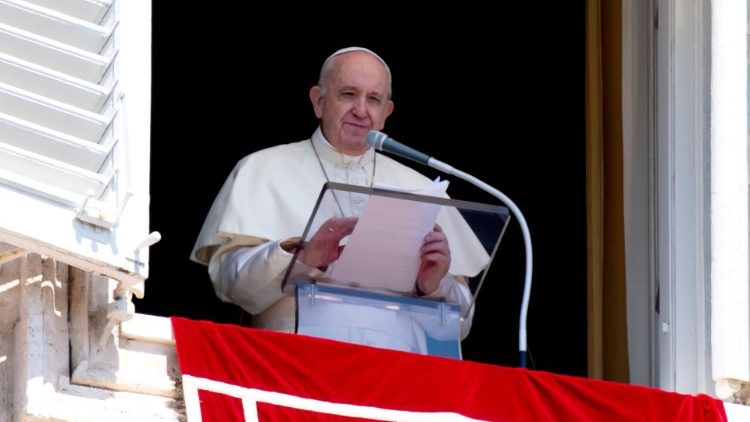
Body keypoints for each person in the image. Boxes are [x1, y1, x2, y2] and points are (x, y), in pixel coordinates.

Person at [191, 47, 488, 355]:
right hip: (294, 361)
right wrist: (302, 258)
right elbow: (230, 286)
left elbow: (460, 328)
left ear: (386, 112)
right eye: (348, 94)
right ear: (319, 101)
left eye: (373, 99)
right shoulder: (261, 168)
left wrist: (433, 286)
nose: (361, 110)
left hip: (399, 374)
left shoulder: (423, 188)